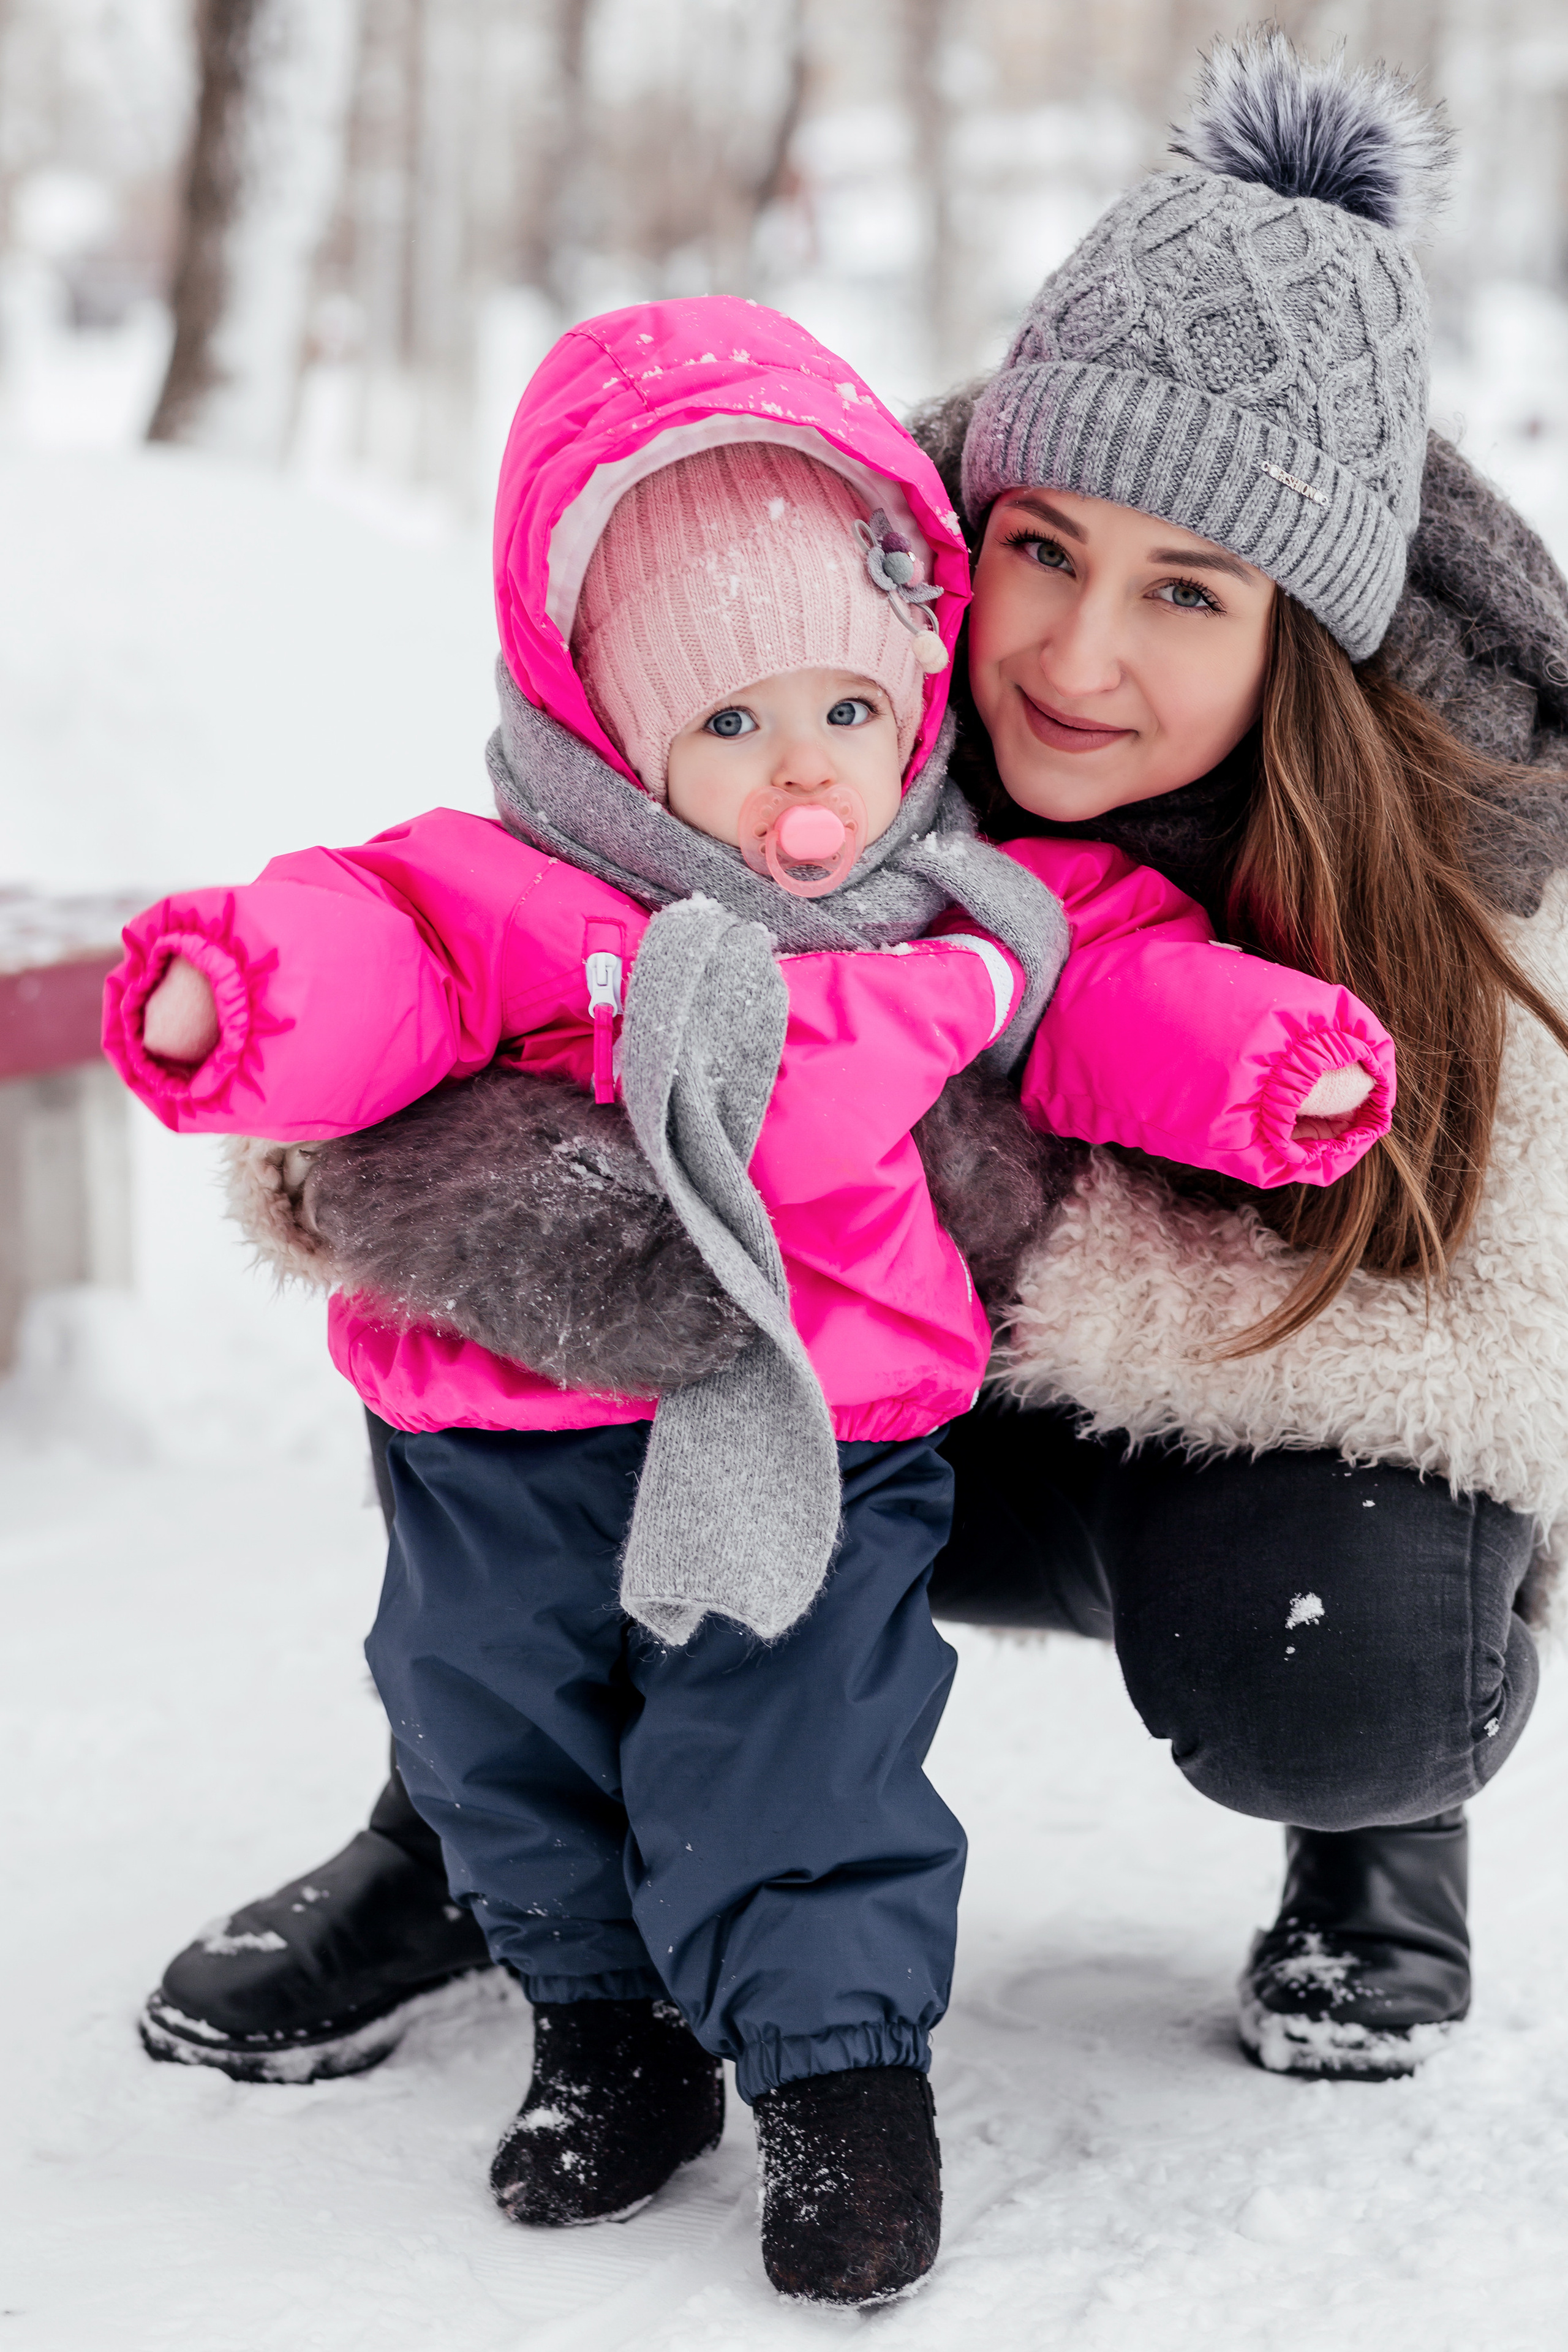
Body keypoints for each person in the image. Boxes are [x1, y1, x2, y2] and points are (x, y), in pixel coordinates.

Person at [105, 292, 1390, 2303]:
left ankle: (840, 2083)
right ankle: (604, 2036)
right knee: (490, 1734)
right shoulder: (512, 887)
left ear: (914, 692)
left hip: (817, 1417)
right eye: (730, 725)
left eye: (851, 713)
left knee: (807, 1751)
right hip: (502, 1433)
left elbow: (1119, 993)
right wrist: (240, 994)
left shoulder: (957, 908)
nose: (810, 776)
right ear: (610, 725)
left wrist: (1270, 1059)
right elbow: (362, 958)